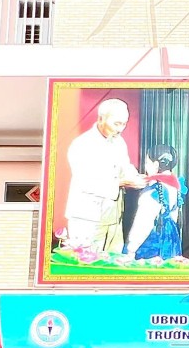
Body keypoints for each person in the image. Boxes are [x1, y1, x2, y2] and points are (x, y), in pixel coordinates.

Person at [64, 97, 150, 253]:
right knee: (86, 265)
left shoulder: (119, 142)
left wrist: (136, 177)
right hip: (87, 218)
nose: (121, 129)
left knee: (112, 264)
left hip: (113, 217)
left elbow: (125, 166)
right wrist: (121, 182)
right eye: (117, 124)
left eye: (124, 124)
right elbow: (85, 182)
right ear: (101, 119)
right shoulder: (82, 144)